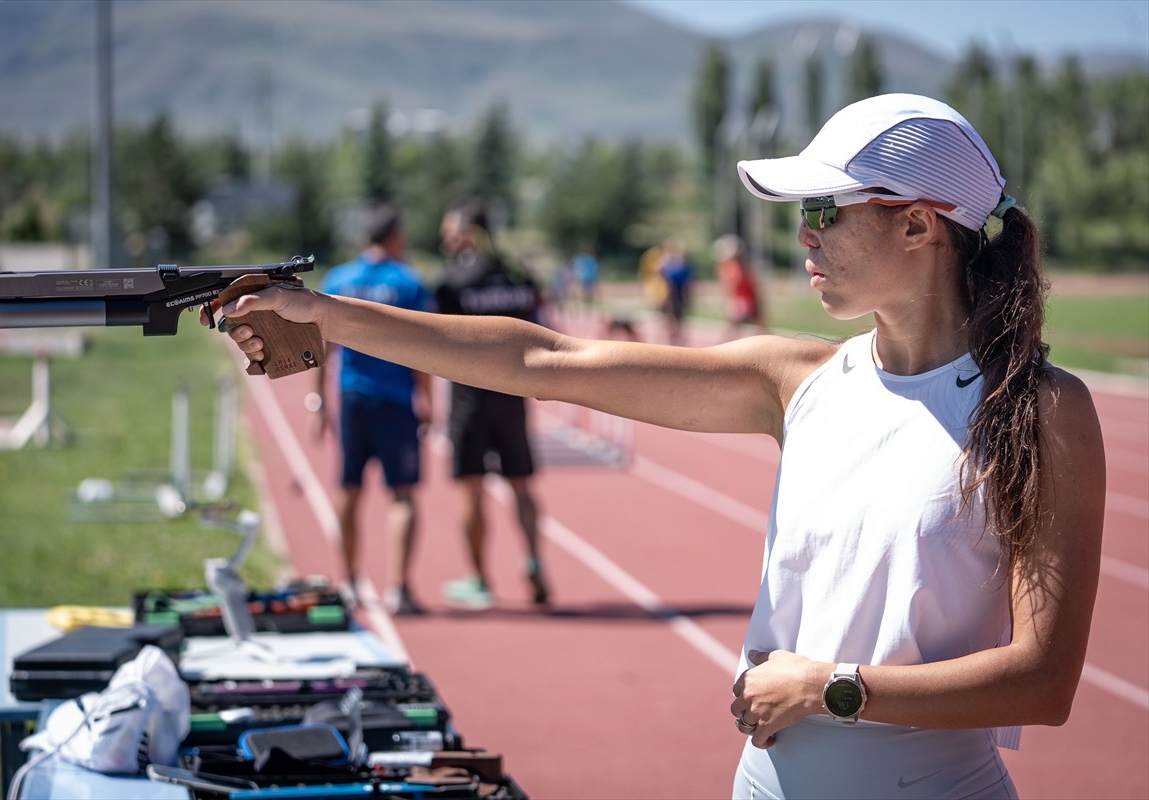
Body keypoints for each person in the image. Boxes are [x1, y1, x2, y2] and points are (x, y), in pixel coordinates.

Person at [212, 94, 1104, 799]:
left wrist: (835, 688)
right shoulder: (794, 381)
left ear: (917, 224)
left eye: (825, 209)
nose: (805, 235)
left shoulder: (1042, 409)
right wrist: (325, 315)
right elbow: (545, 358)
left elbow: (1043, 680)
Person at [432, 199, 551, 610]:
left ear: (467, 233)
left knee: (472, 489)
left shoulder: (452, 281)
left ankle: (479, 578)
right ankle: (535, 560)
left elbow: (439, 342)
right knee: (521, 484)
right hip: (514, 395)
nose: (445, 238)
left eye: (450, 230)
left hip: (470, 399)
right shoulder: (521, 275)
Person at [313, 203, 432, 616]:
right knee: (402, 494)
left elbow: (321, 346)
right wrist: (427, 401)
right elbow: (424, 348)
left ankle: (348, 583)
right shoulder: (410, 281)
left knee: (348, 488)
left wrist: (319, 401)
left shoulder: (339, 279)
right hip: (396, 399)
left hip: (352, 396)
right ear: (395, 236)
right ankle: (398, 588)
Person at [713, 234, 766, 336]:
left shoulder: (739, 268)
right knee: (733, 329)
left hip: (744, 302)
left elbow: (747, 286)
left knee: (735, 329)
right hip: (740, 302)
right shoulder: (733, 267)